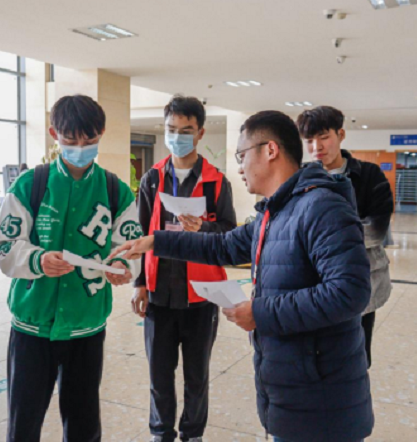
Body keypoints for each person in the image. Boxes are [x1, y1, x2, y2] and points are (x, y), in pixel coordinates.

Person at [113, 111, 374, 442]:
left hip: (322, 399)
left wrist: (259, 313)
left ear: (270, 150)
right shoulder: (276, 211)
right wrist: (155, 242)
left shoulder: (321, 208)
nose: (239, 167)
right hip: (293, 388)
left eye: (241, 155)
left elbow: (349, 292)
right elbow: (222, 246)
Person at [0, 95, 142, 442]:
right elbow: (3, 246)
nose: (80, 148)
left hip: (85, 327)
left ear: (101, 134)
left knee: (83, 423)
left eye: (90, 140)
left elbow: (130, 246)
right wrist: (37, 259)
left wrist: (122, 265)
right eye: (71, 140)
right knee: (23, 421)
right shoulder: (30, 185)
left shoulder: (116, 191)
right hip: (32, 326)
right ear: (54, 134)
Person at [134, 95, 236, 442]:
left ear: (200, 132)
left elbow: (230, 234)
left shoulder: (216, 181)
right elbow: (141, 234)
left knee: (197, 375)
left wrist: (203, 228)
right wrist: (139, 283)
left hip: (201, 295)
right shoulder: (152, 179)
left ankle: (193, 434)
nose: (178, 136)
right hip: (159, 293)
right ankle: (160, 432)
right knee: (159, 374)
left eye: (186, 130)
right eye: (172, 129)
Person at [297, 106, 394, 369]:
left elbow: (377, 230)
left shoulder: (369, 175)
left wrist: (320, 237)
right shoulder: (300, 178)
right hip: (312, 283)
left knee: (357, 357)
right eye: (309, 140)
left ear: (340, 135)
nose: (317, 147)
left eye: (324, 137)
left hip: (361, 281)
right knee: (318, 356)